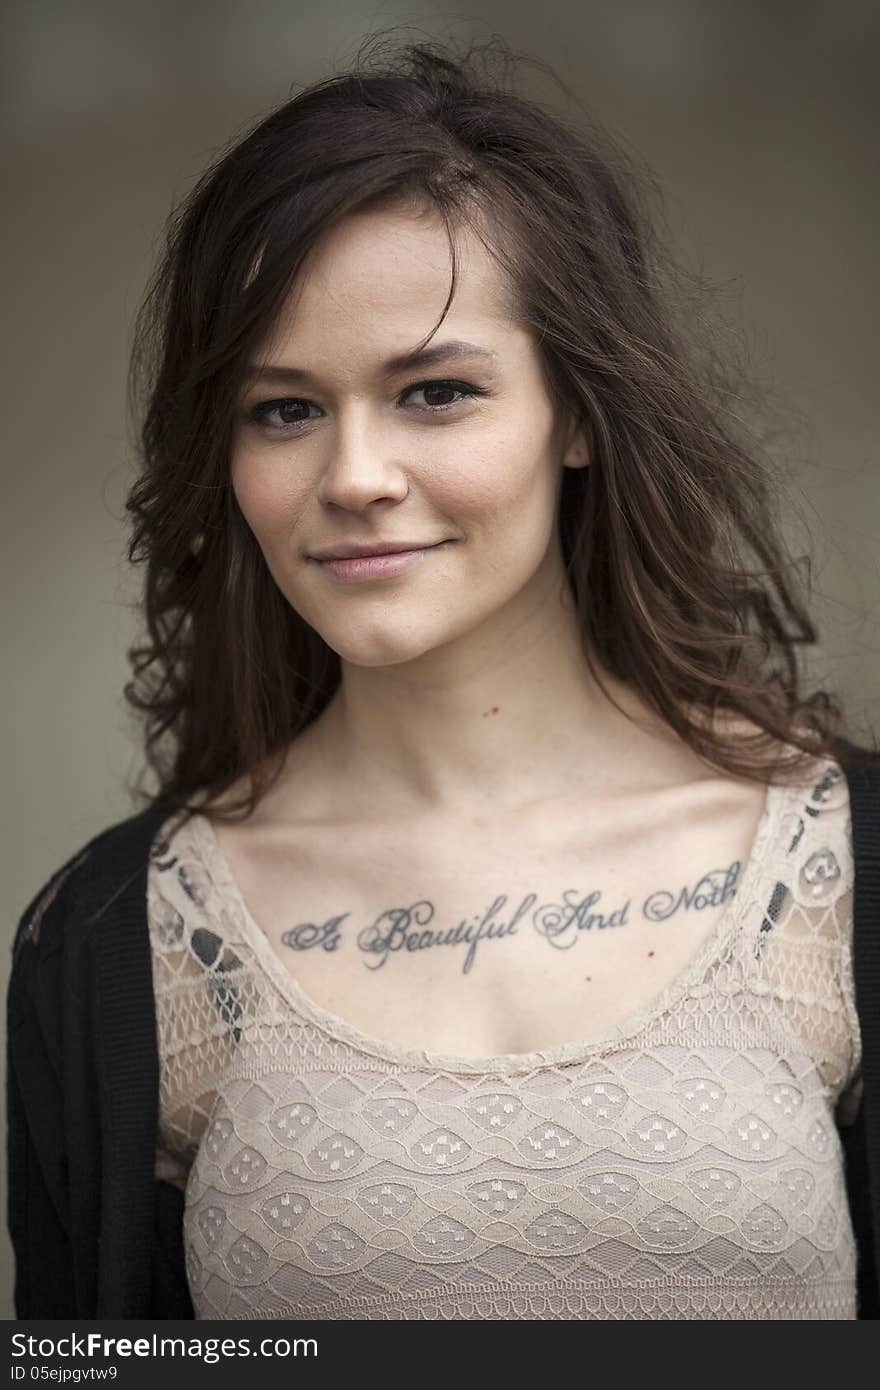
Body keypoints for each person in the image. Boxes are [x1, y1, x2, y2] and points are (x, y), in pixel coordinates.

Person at [7, 34, 880, 1321]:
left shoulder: (835, 871)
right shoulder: (121, 942)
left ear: (577, 416)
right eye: (284, 409)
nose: (353, 475)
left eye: (434, 391)